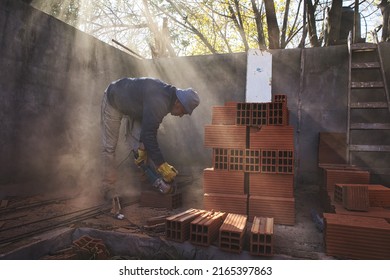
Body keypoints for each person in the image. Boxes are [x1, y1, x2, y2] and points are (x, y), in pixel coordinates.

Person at [100, 77, 200, 214]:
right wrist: (162, 165)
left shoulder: (167, 99)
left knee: (139, 150)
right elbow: (148, 134)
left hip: (134, 109)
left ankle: (146, 182)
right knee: (109, 147)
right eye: (184, 111)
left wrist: (141, 148)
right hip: (113, 99)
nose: (182, 116)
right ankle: (108, 187)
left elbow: (148, 127)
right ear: (178, 102)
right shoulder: (160, 101)